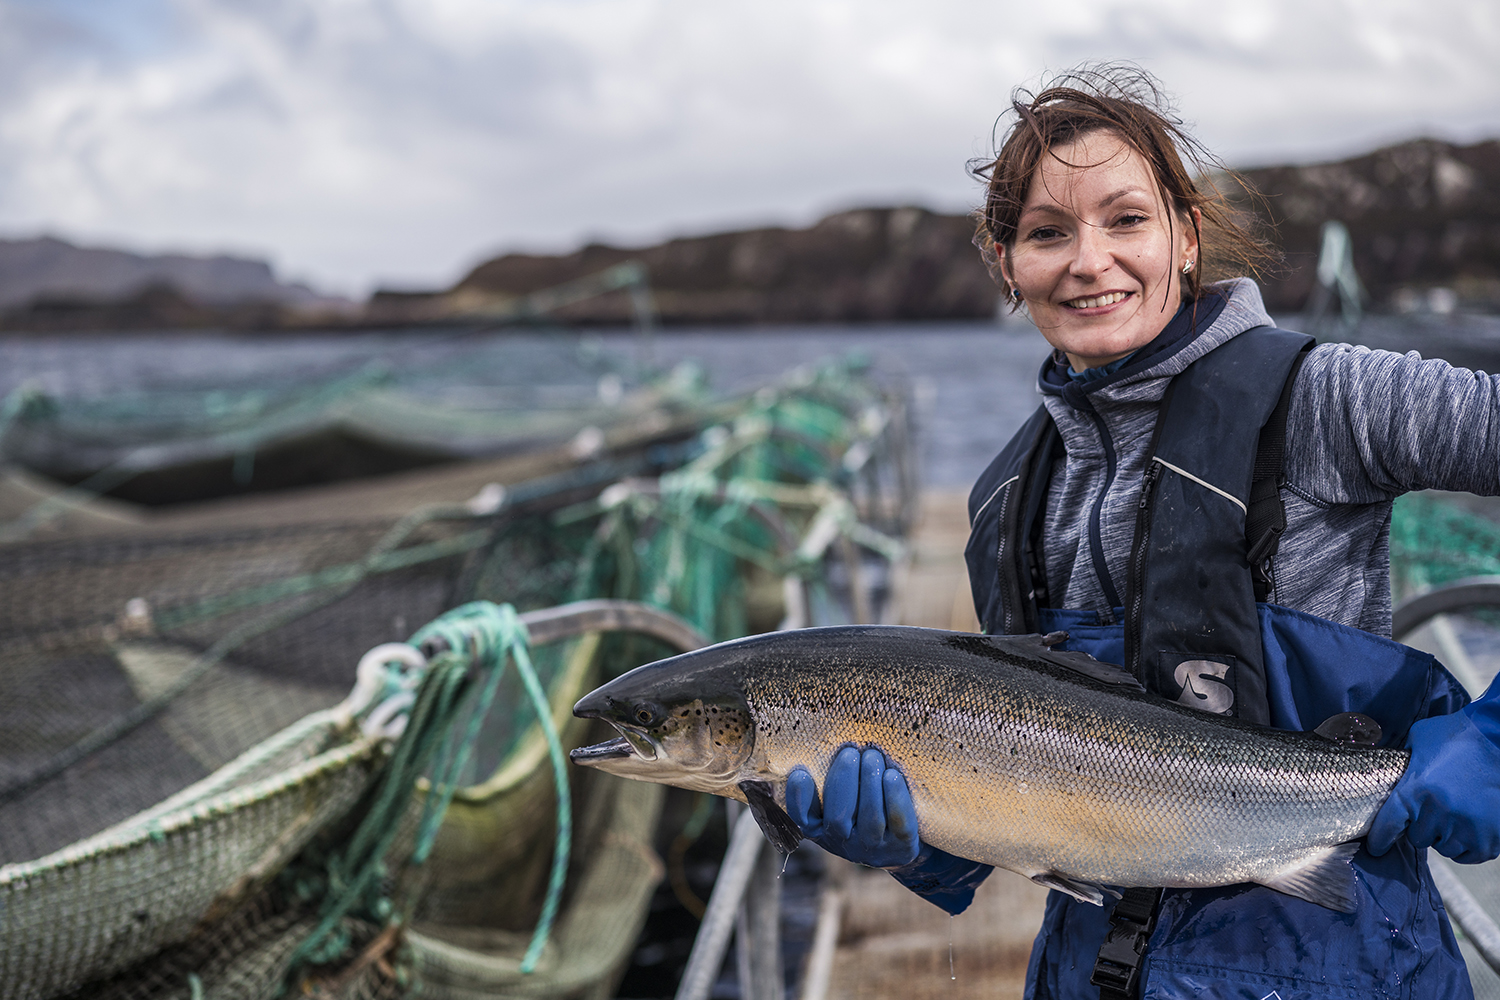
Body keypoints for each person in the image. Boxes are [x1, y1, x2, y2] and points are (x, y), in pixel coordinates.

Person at [784, 64, 1500, 999]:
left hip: (1335, 963)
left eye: (1126, 219)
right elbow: (1020, 806)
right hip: (1087, 973)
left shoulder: (1329, 399)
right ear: (1007, 266)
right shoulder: (1007, 496)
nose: (1089, 261)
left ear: (1186, 238)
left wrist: (1489, 742)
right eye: (1047, 233)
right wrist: (915, 838)